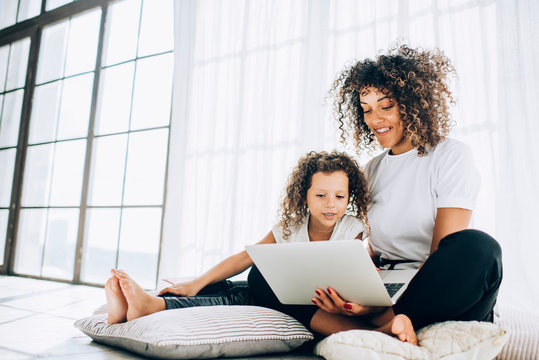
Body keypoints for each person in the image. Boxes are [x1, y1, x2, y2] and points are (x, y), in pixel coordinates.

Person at [253, 44, 503, 344]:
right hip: (386, 284)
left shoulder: (451, 156)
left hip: (435, 289)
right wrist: (353, 288)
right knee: (263, 276)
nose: (375, 120)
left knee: (478, 247)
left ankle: (396, 320)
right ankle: (373, 333)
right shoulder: (371, 169)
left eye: (386, 106)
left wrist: (384, 306)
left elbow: (442, 250)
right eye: (367, 109)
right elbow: (372, 247)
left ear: (414, 104)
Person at [105, 150, 372, 326]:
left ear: (349, 197)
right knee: (231, 287)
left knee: (251, 285)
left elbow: (358, 276)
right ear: (305, 196)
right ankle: (146, 304)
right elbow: (246, 256)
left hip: (314, 305)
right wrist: (196, 283)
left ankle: (153, 306)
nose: (331, 205)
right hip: (278, 294)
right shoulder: (291, 227)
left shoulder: (352, 230)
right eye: (320, 195)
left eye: (340, 196)